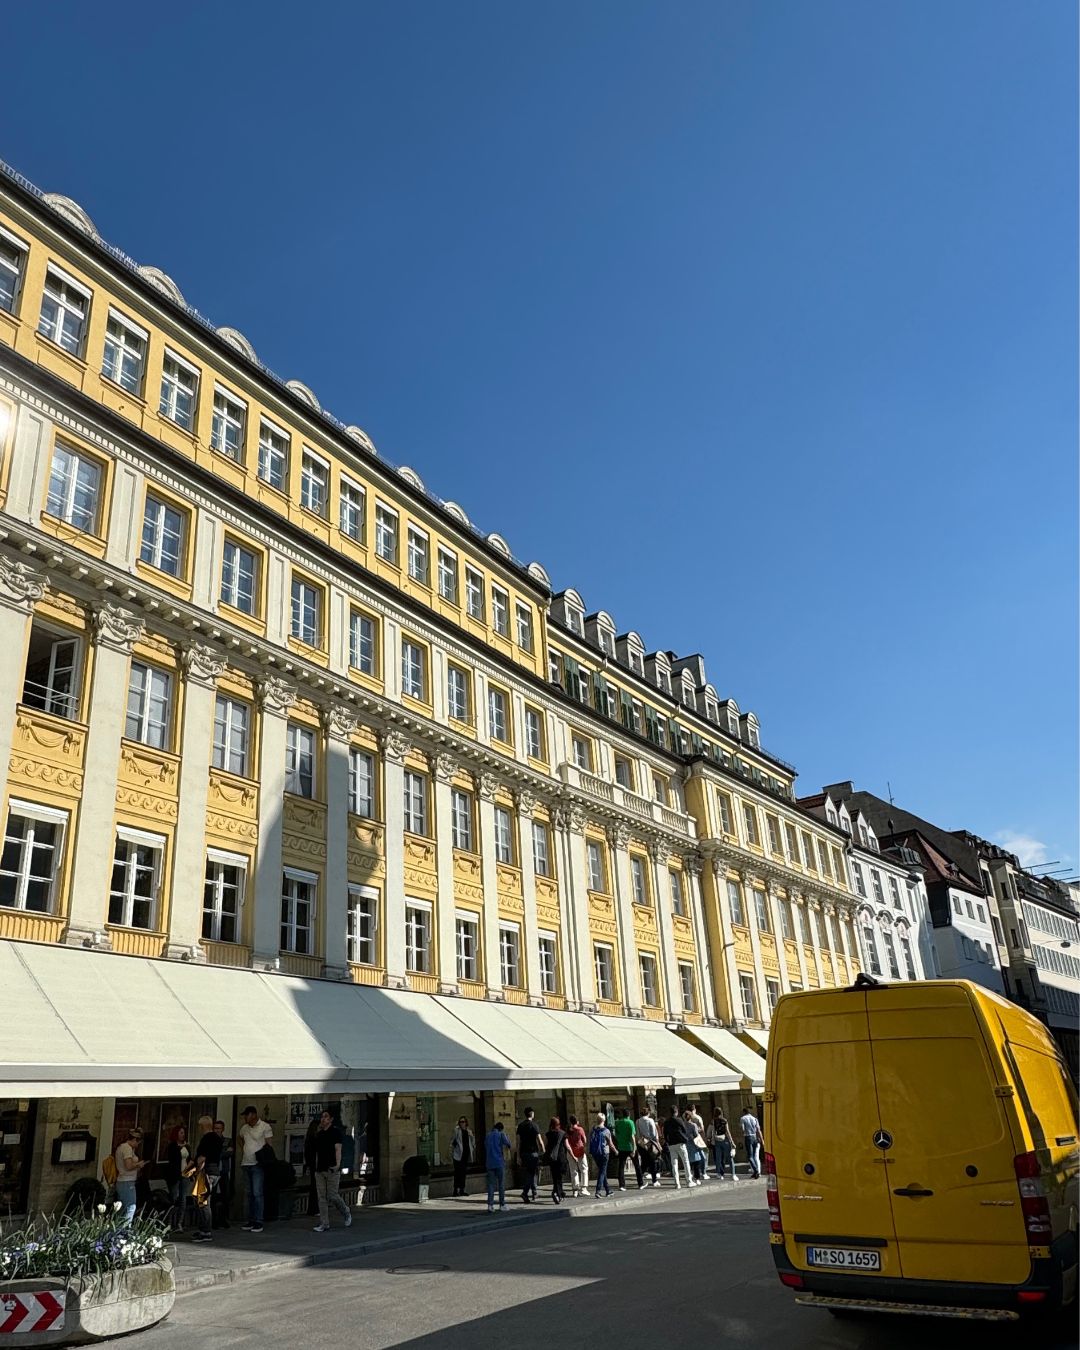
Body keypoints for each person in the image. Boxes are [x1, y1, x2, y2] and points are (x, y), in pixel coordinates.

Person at [312, 1110, 353, 1232]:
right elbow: (316, 1152)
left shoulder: (335, 1132)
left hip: (332, 1168)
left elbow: (338, 1149)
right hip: (320, 1169)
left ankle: (345, 1211)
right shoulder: (319, 1134)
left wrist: (338, 1164)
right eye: (322, 1117)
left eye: (326, 1117)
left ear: (331, 1119)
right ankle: (324, 1223)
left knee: (332, 1195)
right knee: (321, 1197)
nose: (323, 1119)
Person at [238, 1105, 273, 1233]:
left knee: (257, 1193)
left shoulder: (265, 1127)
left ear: (252, 1115)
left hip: (258, 1163)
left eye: (246, 1115)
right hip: (246, 1163)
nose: (244, 1118)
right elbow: (240, 1138)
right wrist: (244, 1149)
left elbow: (269, 1144)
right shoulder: (244, 1128)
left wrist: (263, 1156)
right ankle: (251, 1219)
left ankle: (258, 1220)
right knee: (249, 1193)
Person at [191, 1115, 223, 1243]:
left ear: (203, 1126)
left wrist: (196, 1172)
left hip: (207, 1171)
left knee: (203, 1203)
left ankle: (205, 1231)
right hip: (215, 1170)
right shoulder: (217, 1138)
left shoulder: (207, 1138)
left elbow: (202, 1158)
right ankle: (203, 1229)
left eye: (200, 1126)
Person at [114, 1126, 147, 1223]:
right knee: (130, 1207)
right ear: (135, 1139)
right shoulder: (127, 1148)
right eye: (138, 1142)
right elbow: (128, 1166)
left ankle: (118, 1232)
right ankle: (124, 1231)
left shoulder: (123, 1147)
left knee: (123, 1209)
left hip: (124, 1181)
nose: (138, 1145)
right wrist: (139, 1164)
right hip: (126, 1182)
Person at [165, 1126, 193, 1228]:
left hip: (185, 1174)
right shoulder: (172, 1146)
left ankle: (179, 1222)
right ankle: (169, 1221)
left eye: (183, 1133)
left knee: (183, 1198)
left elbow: (190, 1158)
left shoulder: (187, 1146)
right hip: (175, 1174)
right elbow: (172, 1159)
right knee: (173, 1197)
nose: (183, 1135)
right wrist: (179, 1148)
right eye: (181, 1133)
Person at [515, 1107, 543, 1204]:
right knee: (531, 1174)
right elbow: (539, 1140)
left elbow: (518, 1142)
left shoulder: (520, 1126)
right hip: (532, 1153)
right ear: (532, 1114)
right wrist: (543, 1150)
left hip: (523, 1153)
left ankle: (534, 1192)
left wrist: (518, 1156)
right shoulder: (534, 1125)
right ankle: (525, 1192)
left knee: (530, 1172)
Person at [484, 1121, 511, 1212]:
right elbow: (508, 1144)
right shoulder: (501, 1134)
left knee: (491, 1185)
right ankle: (502, 1204)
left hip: (489, 1163)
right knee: (501, 1184)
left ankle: (490, 1205)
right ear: (501, 1128)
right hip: (499, 1162)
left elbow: (485, 1146)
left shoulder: (488, 1135)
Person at [662, 1107, 693, 1189]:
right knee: (685, 1162)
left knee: (674, 1163)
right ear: (676, 1112)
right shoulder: (679, 1120)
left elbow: (664, 1133)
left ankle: (677, 1183)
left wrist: (667, 1141)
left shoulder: (667, 1122)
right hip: (680, 1143)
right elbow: (684, 1130)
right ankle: (689, 1181)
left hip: (671, 1144)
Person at [612, 1108, 642, 1190]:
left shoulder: (617, 1123)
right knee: (637, 1166)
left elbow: (615, 1134)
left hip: (621, 1147)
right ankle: (640, 1184)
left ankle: (621, 1185)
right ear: (629, 1115)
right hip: (630, 1146)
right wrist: (634, 1148)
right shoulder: (630, 1122)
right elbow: (632, 1137)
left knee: (621, 1166)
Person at [588, 1113, 615, 1198]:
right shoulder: (606, 1131)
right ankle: (598, 1191)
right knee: (602, 1172)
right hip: (604, 1153)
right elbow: (610, 1144)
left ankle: (608, 1190)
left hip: (595, 1153)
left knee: (602, 1172)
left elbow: (590, 1140)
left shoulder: (593, 1129)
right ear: (604, 1120)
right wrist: (616, 1151)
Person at [212, 1120, 233, 1227]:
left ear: (222, 1129)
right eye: (215, 1128)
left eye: (219, 1128)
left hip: (224, 1171)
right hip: (213, 1170)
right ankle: (214, 1220)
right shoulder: (210, 1140)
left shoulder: (227, 1141)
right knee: (213, 1196)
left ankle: (224, 1219)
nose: (217, 1130)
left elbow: (229, 1153)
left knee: (226, 1195)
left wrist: (218, 1153)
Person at [635, 1107, 662, 1187]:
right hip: (650, 1143)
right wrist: (657, 1142)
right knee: (652, 1162)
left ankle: (640, 1178)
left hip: (641, 1143)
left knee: (644, 1162)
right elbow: (654, 1133)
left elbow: (638, 1133)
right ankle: (654, 1180)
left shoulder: (638, 1121)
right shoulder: (650, 1120)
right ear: (648, 1113)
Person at [707, 1110, 736, 1182]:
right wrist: (732, 1142)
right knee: (730, 1157)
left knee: (718, 1158)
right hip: (725, 1140)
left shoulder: (712, 1121)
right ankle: (733, 1174)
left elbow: (709, 1131)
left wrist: (709, 1138)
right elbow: (727, 1132)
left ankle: (719, 1174)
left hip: (717, 1141)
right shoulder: (724, 1120)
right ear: (721, 1113)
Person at [450, 1116, 475, 1197]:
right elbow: (452, 1141)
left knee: (463, 1173)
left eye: (463, 1122)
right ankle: (455, 1190)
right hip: (458, 1155)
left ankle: (462, 1190)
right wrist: (453, 1149)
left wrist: (473, 1146)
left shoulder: (469, 1131)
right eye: (460, 1122)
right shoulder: (456, 1130)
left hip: (465, 1155)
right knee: (457, 1173)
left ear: (466, 1123)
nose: (462, 1123)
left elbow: (472, 1141)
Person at [544, 1117, 567, 1204]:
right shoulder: (562, 1133)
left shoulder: (548, 1134)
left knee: (555, 1177)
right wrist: (572, 1155)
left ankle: (559, 1192)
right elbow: (567, 1145)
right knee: (559, 1177)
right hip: (560, 1157)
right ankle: (557, 1193)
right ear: (558, 1125)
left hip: (552, 1158)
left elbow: (546, 1145)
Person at [565, 1115, 589, 1197]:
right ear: (577, 1121)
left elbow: (567, 1143)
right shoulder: (580, 1129)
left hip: (571, 1152)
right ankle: (584, 1188)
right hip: (580, 1151)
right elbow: (584, 1140)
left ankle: (575, 1190)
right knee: (584, 1169)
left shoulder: (567, 1130)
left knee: (573, 1171)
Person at [740, 1104, 763, 1179]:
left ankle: (756, 1170)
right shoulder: (754, 1118)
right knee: (754, 1155)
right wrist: (762, 1140)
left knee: (750, 1156)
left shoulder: (743, 1118)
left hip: (748, 1137)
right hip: (755, 1137)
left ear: (744, 1112)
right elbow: (758, 1130)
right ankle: (755, 1171)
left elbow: (743, 1129)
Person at [684, 1109, 707, 1184]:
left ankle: (689, 1176)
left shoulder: (683, 1125)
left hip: (686, 1145)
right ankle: (697, 1178)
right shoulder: (693, 1125)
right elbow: (696, 1135)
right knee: (696, 1161)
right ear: (690, 1117)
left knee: (688, 1162)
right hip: (694, 1144)